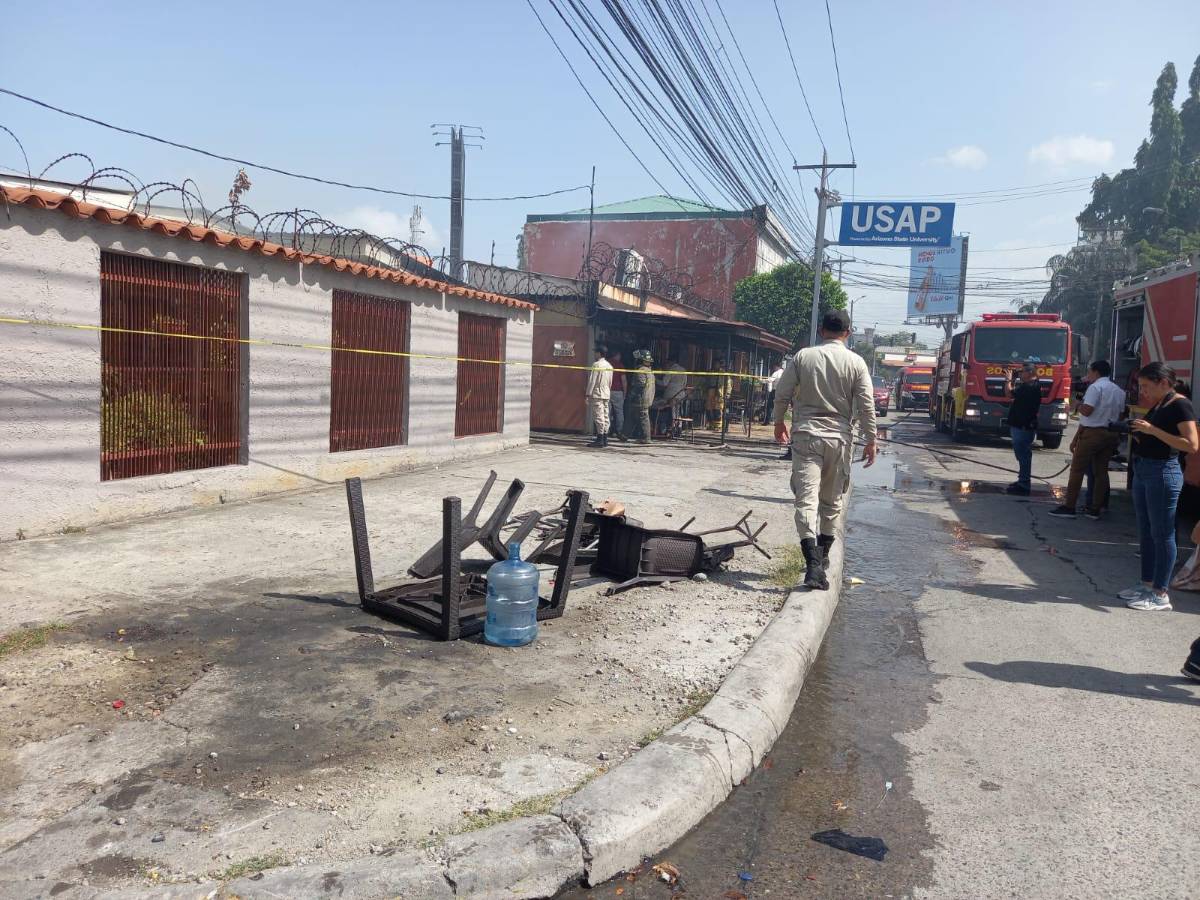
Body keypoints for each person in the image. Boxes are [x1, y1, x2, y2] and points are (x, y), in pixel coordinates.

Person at [774, 310, 877, 590]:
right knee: (832, 502)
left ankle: (813, 565)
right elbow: (867, 405)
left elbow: (782, 393)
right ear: (848, 332)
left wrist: (778, 423)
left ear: (821, 330)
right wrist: (871, 439)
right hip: (840, 439)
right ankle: (822, 559)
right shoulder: (856, 362)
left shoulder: (803, 357)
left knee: (806, 500)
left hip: (806, 435)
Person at [1118, 361, 1199, 611]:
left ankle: (1160, 593)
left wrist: (1151, 430)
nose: (1143, 392)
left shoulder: (1180, 404)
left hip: (1162, 472)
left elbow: (1191, 444)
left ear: (1163, 382)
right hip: (1145, 469)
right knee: (1147, 531)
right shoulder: (1161, 404)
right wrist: (1140, 431)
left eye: (1146, 386)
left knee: (1163, 534)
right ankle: (1146, 583)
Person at [1049, 360, 1126, 519]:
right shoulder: (1118, 390)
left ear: (1096, 372)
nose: (1088, 375)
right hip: (1111, 433)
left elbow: (1088, 411)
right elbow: (1121, 415)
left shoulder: (1095, 387)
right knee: (1101, 472)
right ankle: (1095, 508)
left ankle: (1069, 506)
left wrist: (1077, 404)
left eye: (1090, 372)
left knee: (1077, 470)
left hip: (1093, 433)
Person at [1005, 364, 1042, 495]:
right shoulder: (1032, 385)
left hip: (1022, 426)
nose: (1020, 374)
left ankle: (1024, 484)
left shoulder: (1029, 387)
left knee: (1023, 456)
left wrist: (1009, 380)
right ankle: (1022, 480)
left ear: (1031, 372)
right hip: (1023, 425)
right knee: (1022, 456)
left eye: (1022, 372)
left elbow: (1009, 394)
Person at [584, 344, 613, 448]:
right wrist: (607, 390)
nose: (595, 354)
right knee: (606, 415)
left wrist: (588, 394)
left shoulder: (596, 365)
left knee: (599, 416)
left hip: (597, 393)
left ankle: (600, 439)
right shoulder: (609, 366)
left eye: (596, 352)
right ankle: (605, 438)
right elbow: (610, 382)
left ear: (599, 353)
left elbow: (592, 381)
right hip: (606, 392)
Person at [655, 353, 688, 436]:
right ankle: (678, 428)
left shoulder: (671, 370)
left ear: (670, 362)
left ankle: (671, 428)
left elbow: (664, 383)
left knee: (671, 411)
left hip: (671, 395)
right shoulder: (683, 369)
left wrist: (654, 379)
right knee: (678, 411)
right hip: (681, 394)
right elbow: (685, 384)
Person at [627, 349, 656, 444]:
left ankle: (646, 438)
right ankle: (624, 434)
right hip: (647, 397)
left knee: (643, 416)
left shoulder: (641, 371)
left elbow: (640, 385)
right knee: (633, 415)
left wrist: (632, 395)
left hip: (642, 398)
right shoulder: (650, 371)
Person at [608, 350, 628, 442]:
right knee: (619, 412)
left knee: (607, 412)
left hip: (607, 391)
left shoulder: (607, 364)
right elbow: (624, 381)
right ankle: (620, 431)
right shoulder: (620, 365)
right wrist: (625, 393)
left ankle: (605, 430)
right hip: (618, 392)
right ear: (618, 355)